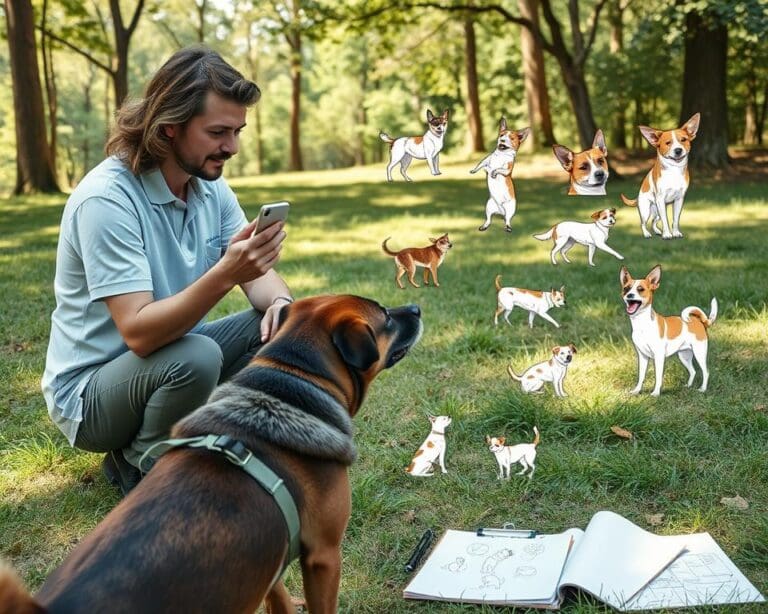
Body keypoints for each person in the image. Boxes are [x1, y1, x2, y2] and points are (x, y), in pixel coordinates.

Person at [42, 46, 292, 496]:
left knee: (276, 324)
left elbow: (258, 279)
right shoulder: (108, 199)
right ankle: (142, 462)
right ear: (169, 127)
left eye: (237, 131)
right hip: (91, 396)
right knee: (196, 357)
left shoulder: (207, 187)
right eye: (218, 131)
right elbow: (138, 333)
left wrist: (281, 302)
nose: (231, 147)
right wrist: (225, 275)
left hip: (169, 359)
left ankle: (206, 441)